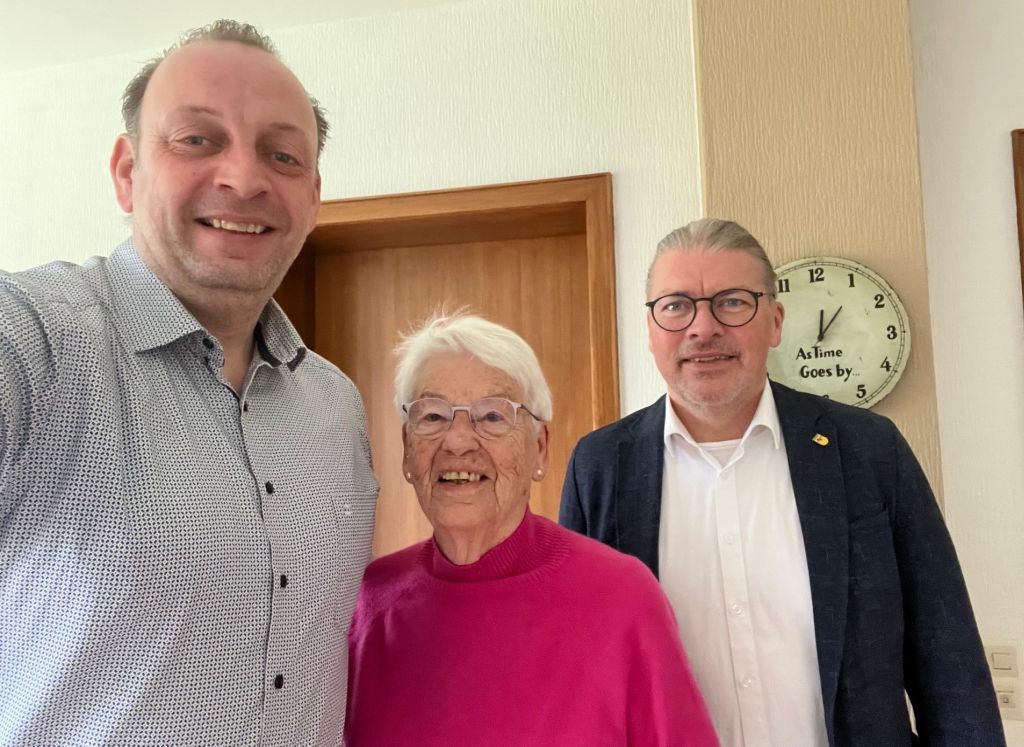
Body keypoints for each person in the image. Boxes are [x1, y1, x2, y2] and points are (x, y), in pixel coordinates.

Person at [0, 20, 377, 744]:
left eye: (282, 154)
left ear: (314, 195)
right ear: (127, 171)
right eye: (198, 139)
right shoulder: (36, 343)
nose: (244, 178)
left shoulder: (337, 404)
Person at [560, 218, 1005, 746]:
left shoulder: (868, 449)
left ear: (774, 322)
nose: (702, 328)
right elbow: (581, 667)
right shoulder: (601, 467)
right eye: (676, 306)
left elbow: (947, 653)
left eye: (732, 302)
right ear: (652, 330)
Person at [345, 313, 718, 746]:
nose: (458, 441)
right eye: (432, 416)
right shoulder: (367, 602)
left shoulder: (622, 597)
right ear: (408, 450)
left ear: (539, 447)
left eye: (492, 416)